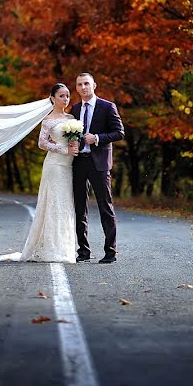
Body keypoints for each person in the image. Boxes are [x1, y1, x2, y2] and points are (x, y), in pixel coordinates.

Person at [17, 83, 79, 263]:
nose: (65, 99)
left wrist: (74, 145)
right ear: (52, 98)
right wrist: (63, 149)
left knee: (66, 204)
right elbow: (42, 143)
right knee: (53, 204)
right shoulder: (48, 120)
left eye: (67, 95)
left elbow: (73, 140)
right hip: (54, 166)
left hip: (68, 166)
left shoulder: (72, 118)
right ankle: (51, 248)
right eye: (61, 96)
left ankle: (65, 247)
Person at [70, 72, 125, 263]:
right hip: (78, 163)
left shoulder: (107, 107)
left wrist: (98, 138)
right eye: (79, 84)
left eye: (86, 83)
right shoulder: (75, 109)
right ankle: (83, 251)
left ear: (94, 85)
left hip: (99, 163)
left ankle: (110, 252)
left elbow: (119, 133)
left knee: (105, 207)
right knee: (79, 208)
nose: (83, 87)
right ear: (76, 88)